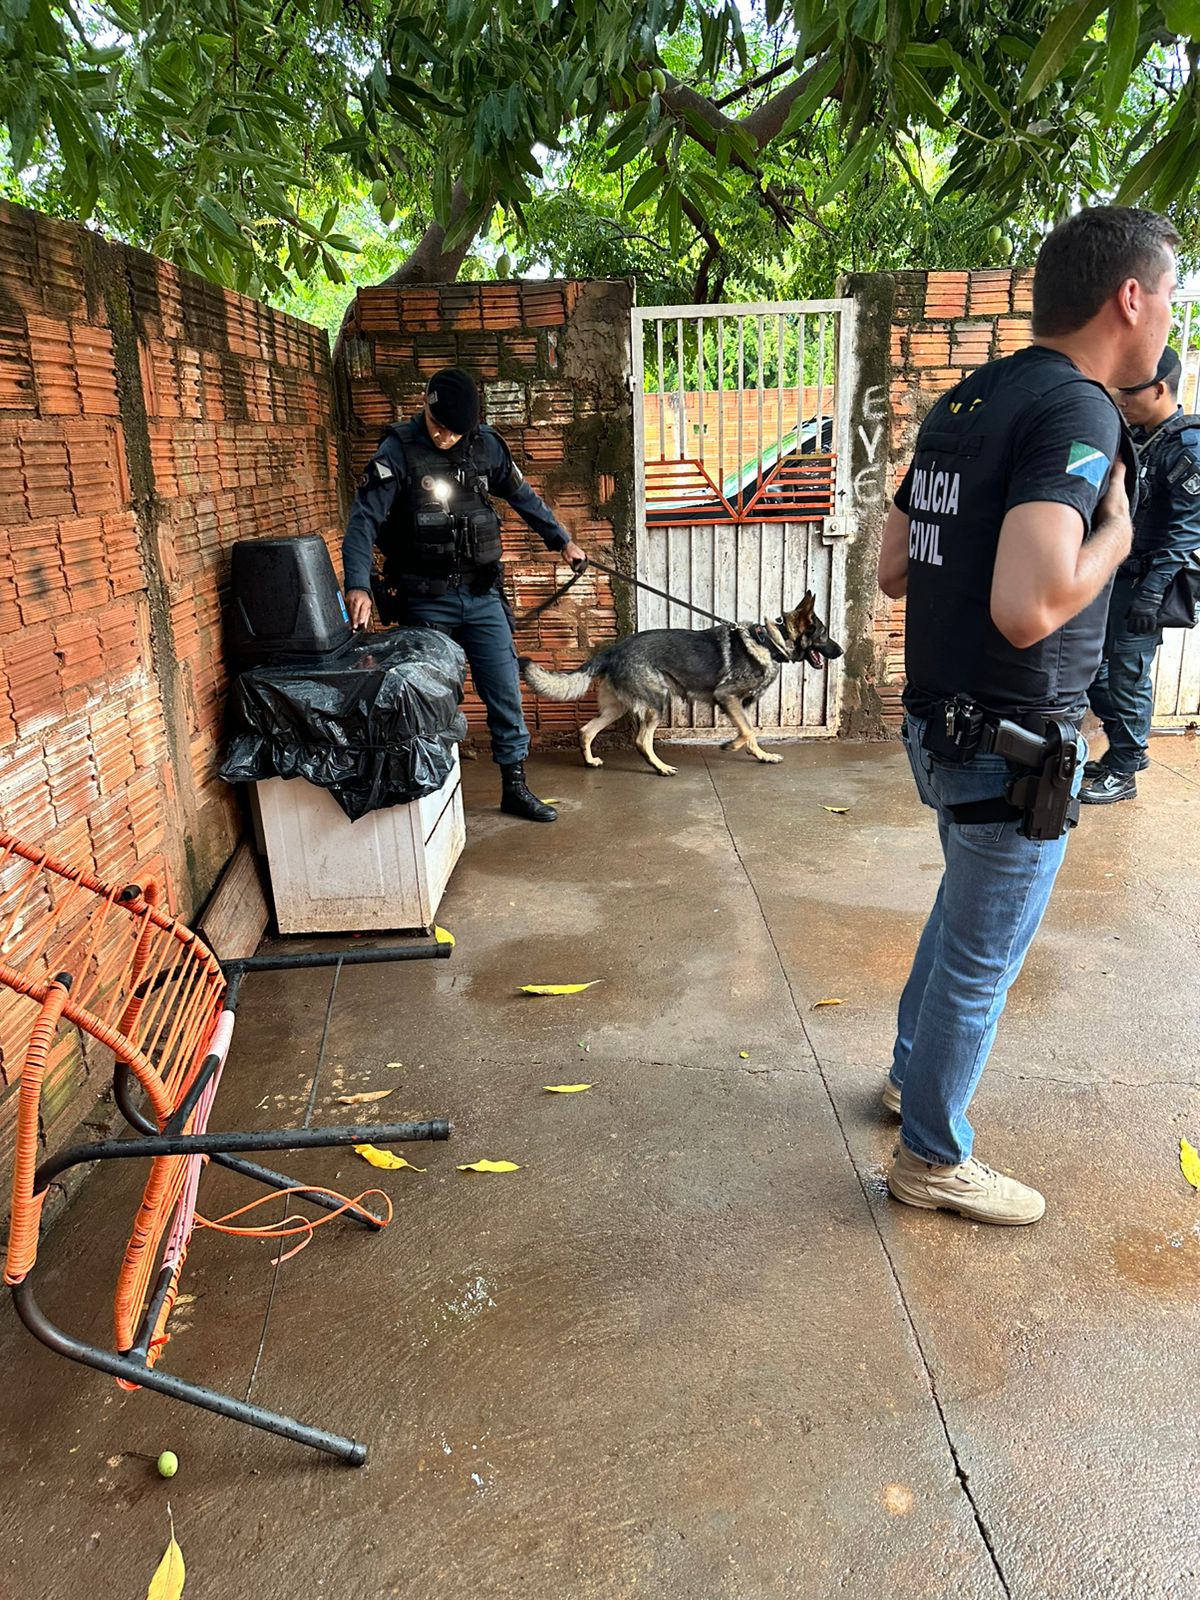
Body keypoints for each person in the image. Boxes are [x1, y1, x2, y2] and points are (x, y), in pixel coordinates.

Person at [876, 205, 1177, 1226]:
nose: (1170, 314)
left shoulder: (966, 398)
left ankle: (907, 1078)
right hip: (1012, 747)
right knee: (982, 957)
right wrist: (1117, 535)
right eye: (1169, 294)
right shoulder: (1077, 413)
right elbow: (1027, 605)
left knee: (961, 918)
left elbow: (892, 567)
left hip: (941, 729)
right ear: (1129, 297)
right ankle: (931, 1156)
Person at [343, 367, 587, 823]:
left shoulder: (485, 445)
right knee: (430, 698)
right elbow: (363, 522)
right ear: (426, 402)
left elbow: (523, 497)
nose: (446, 437)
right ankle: (431, 799)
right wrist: (357, 584)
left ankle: (515, 787)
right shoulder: (397, 451)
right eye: (439, 427)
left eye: (456, 431)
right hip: (424, 598)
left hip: (481, 594)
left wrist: (562, 541)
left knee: (504, 691)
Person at [1081, 346, 1200, 803]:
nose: (1121, 398)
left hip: (1146, 583)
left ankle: (1125, 769)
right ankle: (1125, 752)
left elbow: (1186, 532)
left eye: (1130, 392)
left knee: (1128, 676)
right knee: (1094, 670)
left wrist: (1152, 594)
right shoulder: (1136, 436)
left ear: (1160, 389)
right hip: (1113, 577)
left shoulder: (1186, 446)